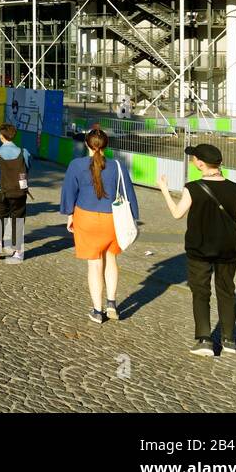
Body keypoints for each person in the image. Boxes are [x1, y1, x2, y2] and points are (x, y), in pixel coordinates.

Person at [158, 144, 236, 356]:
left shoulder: (193, 188)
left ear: (201, 164)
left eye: (194, 158)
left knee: (201, 292)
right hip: (228, 249)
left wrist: (164, 190)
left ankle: (204, 339)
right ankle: (229, 340)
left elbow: (177, 214)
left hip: (200, 249)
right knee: (227, 291)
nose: (193, 161)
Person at [59, 127, 139, 324]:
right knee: (110, 259)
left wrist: (70, 214)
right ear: (106, 145)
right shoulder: (117, 166)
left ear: (86, 144)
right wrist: (134, 217)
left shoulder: (76, 165)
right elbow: (128, 193)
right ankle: (111, 303)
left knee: (94, 264)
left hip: (85, 217)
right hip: (111, 218)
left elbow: (69, 192)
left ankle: (97, 310)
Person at [0, 123, 32, 263]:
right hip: (19, 190)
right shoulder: (24, 152)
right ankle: (18, 252)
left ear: (1, 136)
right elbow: (27, 167)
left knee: (0, 217)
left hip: (0, 191)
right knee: (18, 219)